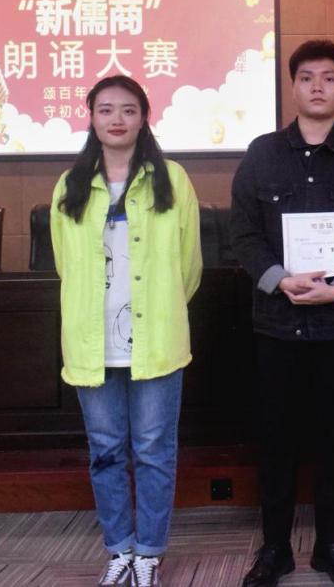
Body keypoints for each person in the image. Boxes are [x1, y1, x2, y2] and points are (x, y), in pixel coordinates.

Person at [230, 40, 334, 587]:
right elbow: (243, 234)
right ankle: (275, 549)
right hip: (277, 323)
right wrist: (281, 279)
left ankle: (331, 547)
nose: (317, 86)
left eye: (328, 77)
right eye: (306, 77)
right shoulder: (261, 153)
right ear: (293, 87)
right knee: (275, 440)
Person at [50, 75, 202, 587]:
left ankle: (150, 552)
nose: (117, 119)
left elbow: (189, 266)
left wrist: (161, 311)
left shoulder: (172, 179)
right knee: (106, 451)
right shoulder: (70, 184)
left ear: (144, 117)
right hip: (93, 345)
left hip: (157, 342)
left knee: (154, 452)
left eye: (129, 109)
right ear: (91, 117)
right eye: (106, 109)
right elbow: (65, 265)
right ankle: (119, 548)